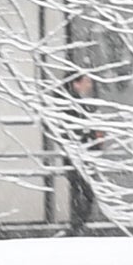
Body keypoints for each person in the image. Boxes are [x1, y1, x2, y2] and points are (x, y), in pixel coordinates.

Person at [55, 71, 105, 235]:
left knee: (81, 192)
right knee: (85, 192)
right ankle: (76, 227)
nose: (89, 85)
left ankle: (77, 227)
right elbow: (77, 131)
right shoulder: (72, 104)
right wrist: (93, 136)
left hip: (78, 155)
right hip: (79, 156)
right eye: (87, 81)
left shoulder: (70, 102)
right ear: (76, 83)